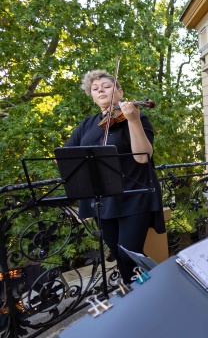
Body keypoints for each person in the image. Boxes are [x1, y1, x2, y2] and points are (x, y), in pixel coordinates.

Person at [65, 70, 165, 283]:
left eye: (107, 86)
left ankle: (155, 286)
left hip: (134, 195)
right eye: (95, 88)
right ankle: (138, 291)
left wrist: (133, 120)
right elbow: (66, 156)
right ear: (91, 96)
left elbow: (143, 157)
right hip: (103, 200)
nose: (100, 89)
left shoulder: (137, 117)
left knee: (128, 253)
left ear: (120, 91)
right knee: (118, 254)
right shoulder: (87, 124)